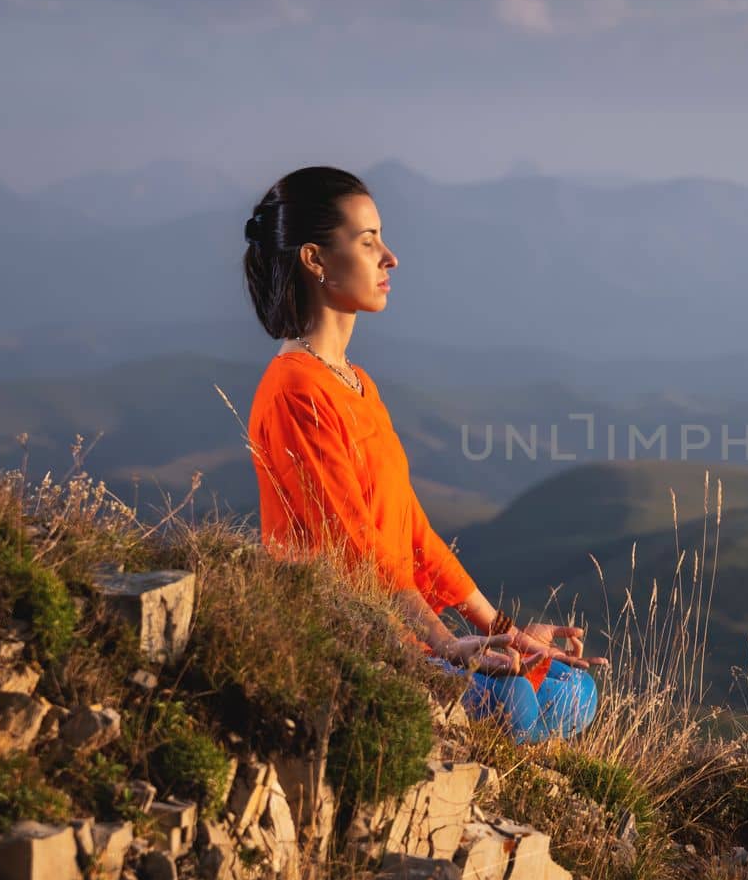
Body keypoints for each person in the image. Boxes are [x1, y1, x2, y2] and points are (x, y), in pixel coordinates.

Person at [241, 165, 602, 743]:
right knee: (514, 701)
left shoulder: (356, 382)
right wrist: (446, 644)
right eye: (367, 242)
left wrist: (500, 629)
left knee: (568, 688)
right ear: (315, 260)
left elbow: (411, 533)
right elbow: (354, 552)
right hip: (352, 639)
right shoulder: (296, 391)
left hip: (406, 631)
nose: (390, 257)